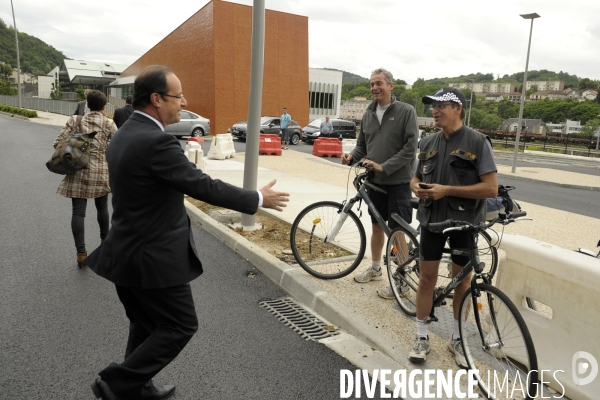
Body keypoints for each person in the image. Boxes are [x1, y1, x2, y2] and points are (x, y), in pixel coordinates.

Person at [86, 65, 289, 400]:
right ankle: (116, 384)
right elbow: (201, 184)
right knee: (180, 325)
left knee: (146, 323)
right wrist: (257, 198)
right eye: (178, 96)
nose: (184, 101)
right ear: (156, 99)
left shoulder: (124, 132)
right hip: (152, 258)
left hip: (125, 252)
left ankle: (138, 386)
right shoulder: (156, 142)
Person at [408, 87, 498, 367]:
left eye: (441, 106)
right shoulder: (428, 142)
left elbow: (491, 188)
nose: (434, 110)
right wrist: (415, 188)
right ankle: (422, 337)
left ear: (458, 109)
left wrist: (446, 189)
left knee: (463, 284)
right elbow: (414, 178)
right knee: (426, 279)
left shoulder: (479, 142)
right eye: (432, 106)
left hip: (464, 223)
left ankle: (457, 338)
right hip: (432, 221)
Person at [341, 68, 418, 300]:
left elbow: (410, 147)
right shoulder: (368, 113)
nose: (375, 88)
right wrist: (351, 157)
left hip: (398, 182)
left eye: (379, 83)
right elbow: (362, 146)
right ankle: (375, 268)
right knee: (376, 227)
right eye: (372, 84)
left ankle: (403, 278)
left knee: (398, 230)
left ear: (391, 86)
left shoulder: (406, 111)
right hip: (375, 182)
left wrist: (385, 166)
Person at [54, 90, 117, 268]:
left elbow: (57, 142)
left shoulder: (76, 120)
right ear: (104, 107)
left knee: (78, 212)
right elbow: (118, 145)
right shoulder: (108, 123)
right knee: (102, 208)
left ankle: (81, 254)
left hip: (77, 170)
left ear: (87, 105)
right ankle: (104, 245)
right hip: (100, 172)